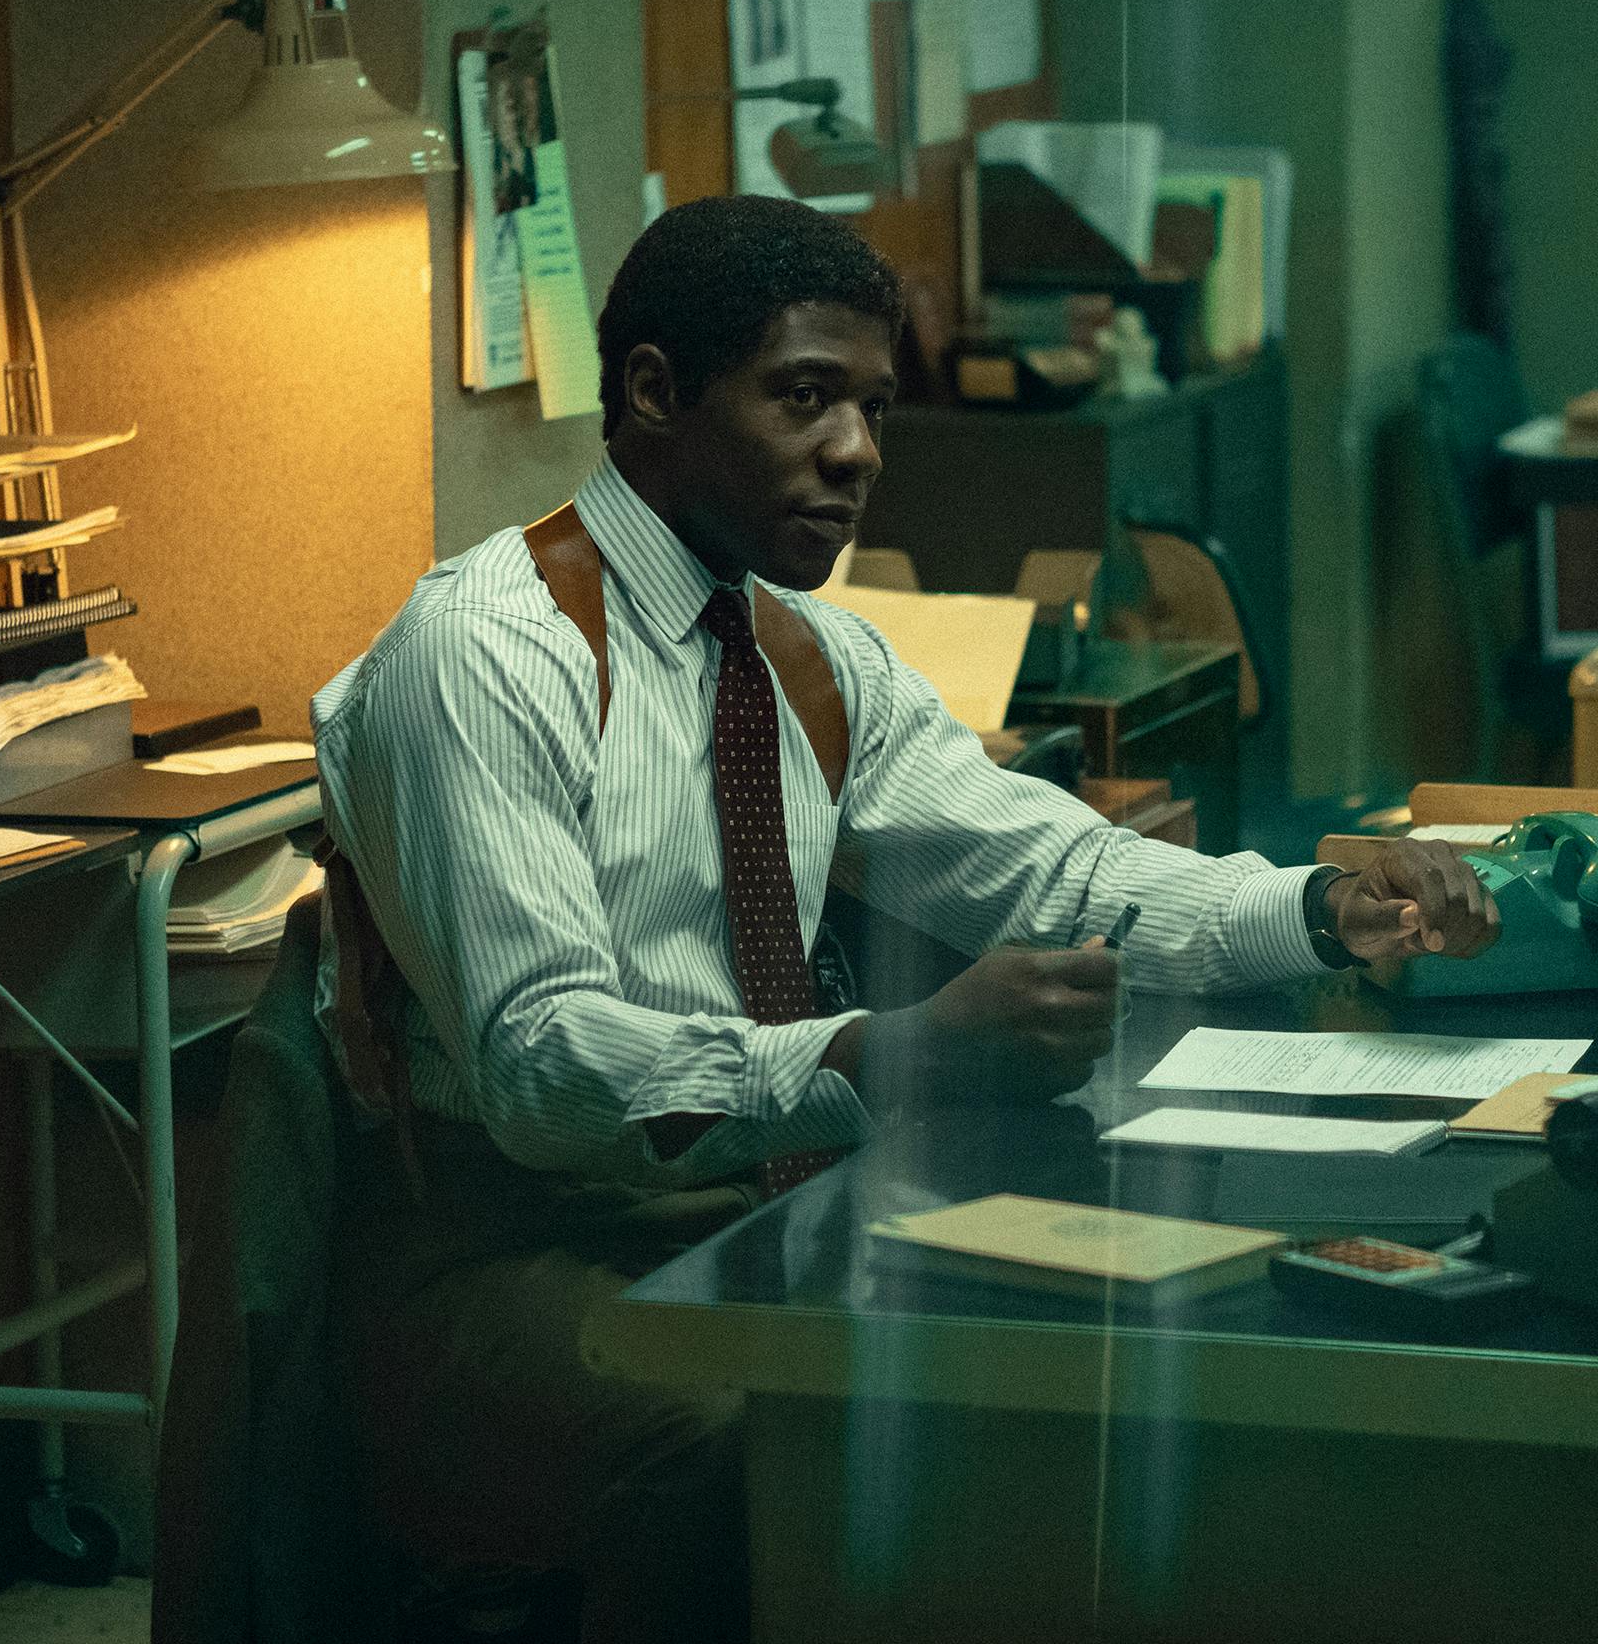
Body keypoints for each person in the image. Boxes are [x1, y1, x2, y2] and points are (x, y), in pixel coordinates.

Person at [311, 193, 1500, 1643]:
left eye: (874, 408)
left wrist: (1318, 906)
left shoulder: (808, 652)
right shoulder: (487, 652)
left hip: (778, 1200)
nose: (859, 452)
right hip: (506, 1242)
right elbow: (544, 1064)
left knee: (1071, 1383)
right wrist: (890, 1053)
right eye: (805, 398)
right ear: (654, 394)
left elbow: (1063, 871)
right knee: (739, 1454)